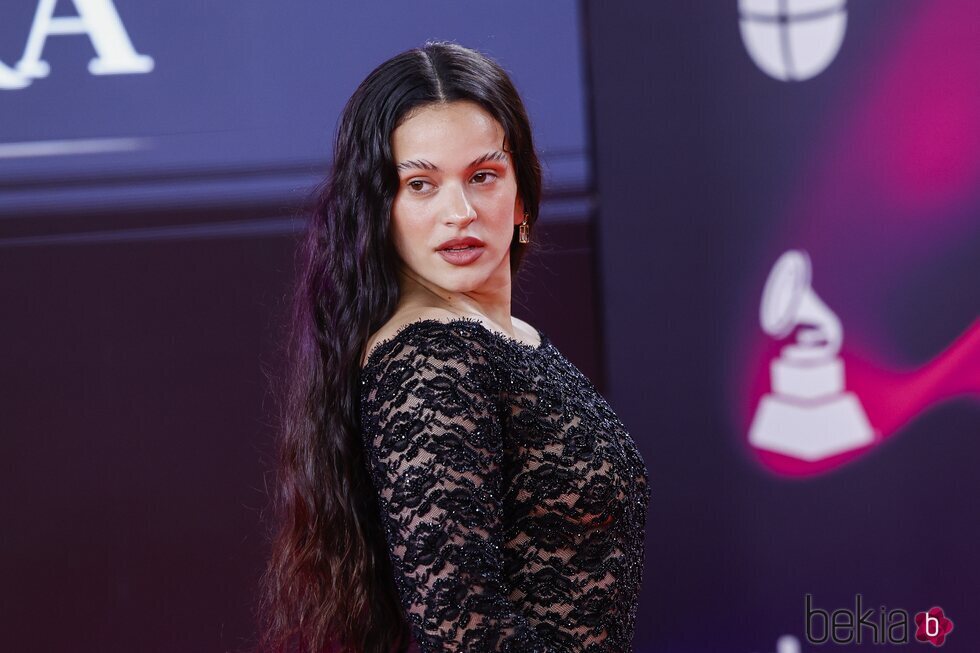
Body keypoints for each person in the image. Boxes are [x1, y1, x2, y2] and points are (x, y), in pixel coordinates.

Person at [257, 41, 651, 653]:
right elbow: (462, 629)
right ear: (380, 209)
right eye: (421, 184)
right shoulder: (428, 357)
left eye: (483, 176)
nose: (459, 212)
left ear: (521, 195)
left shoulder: (504, 341)